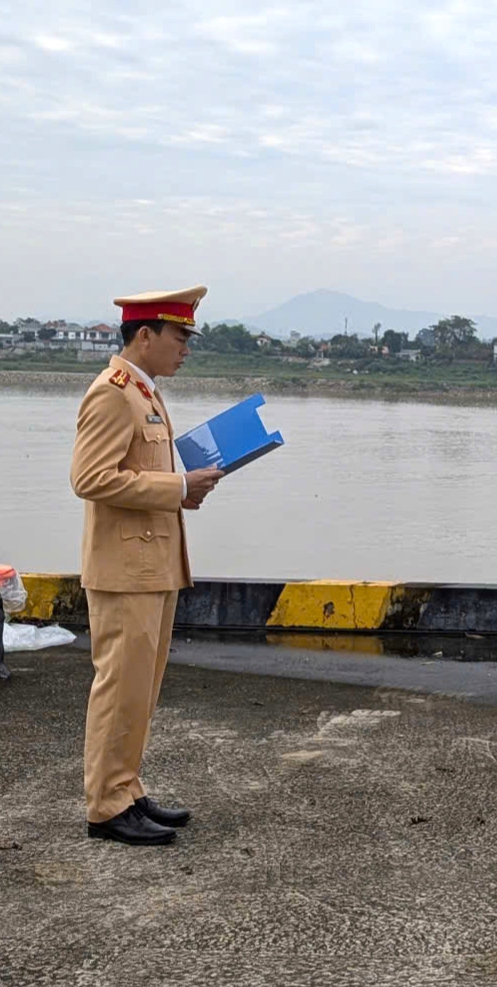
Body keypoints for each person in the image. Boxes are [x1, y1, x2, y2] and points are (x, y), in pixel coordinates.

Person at [69, 288, 224, 846]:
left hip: (152, 565)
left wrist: (182, 490)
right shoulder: (112, 395)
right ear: (145, 336)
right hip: (124, 570)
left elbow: (137, 478)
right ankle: (105, 807)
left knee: (141, 688)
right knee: (119, 687)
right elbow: (89, 479)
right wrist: (178, 485)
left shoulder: (146, 395)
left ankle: (126, 789)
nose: (185, 349)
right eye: (180, 337)